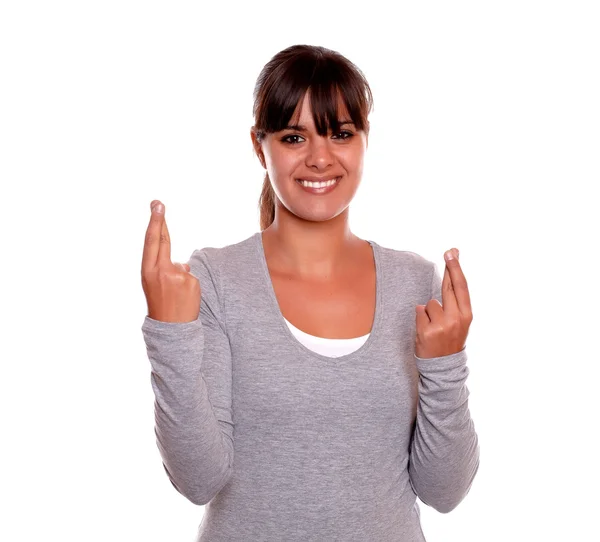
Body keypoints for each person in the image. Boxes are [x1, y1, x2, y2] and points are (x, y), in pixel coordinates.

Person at [140, 44, 480, 542]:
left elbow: (444, 492)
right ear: (260, 147)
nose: (320, 158)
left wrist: (446, 365)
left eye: (341, 133)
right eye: (294, 136)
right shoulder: (214, 278)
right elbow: (198, 480)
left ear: (365, 141)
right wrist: (170, 334)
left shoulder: (415, 283)